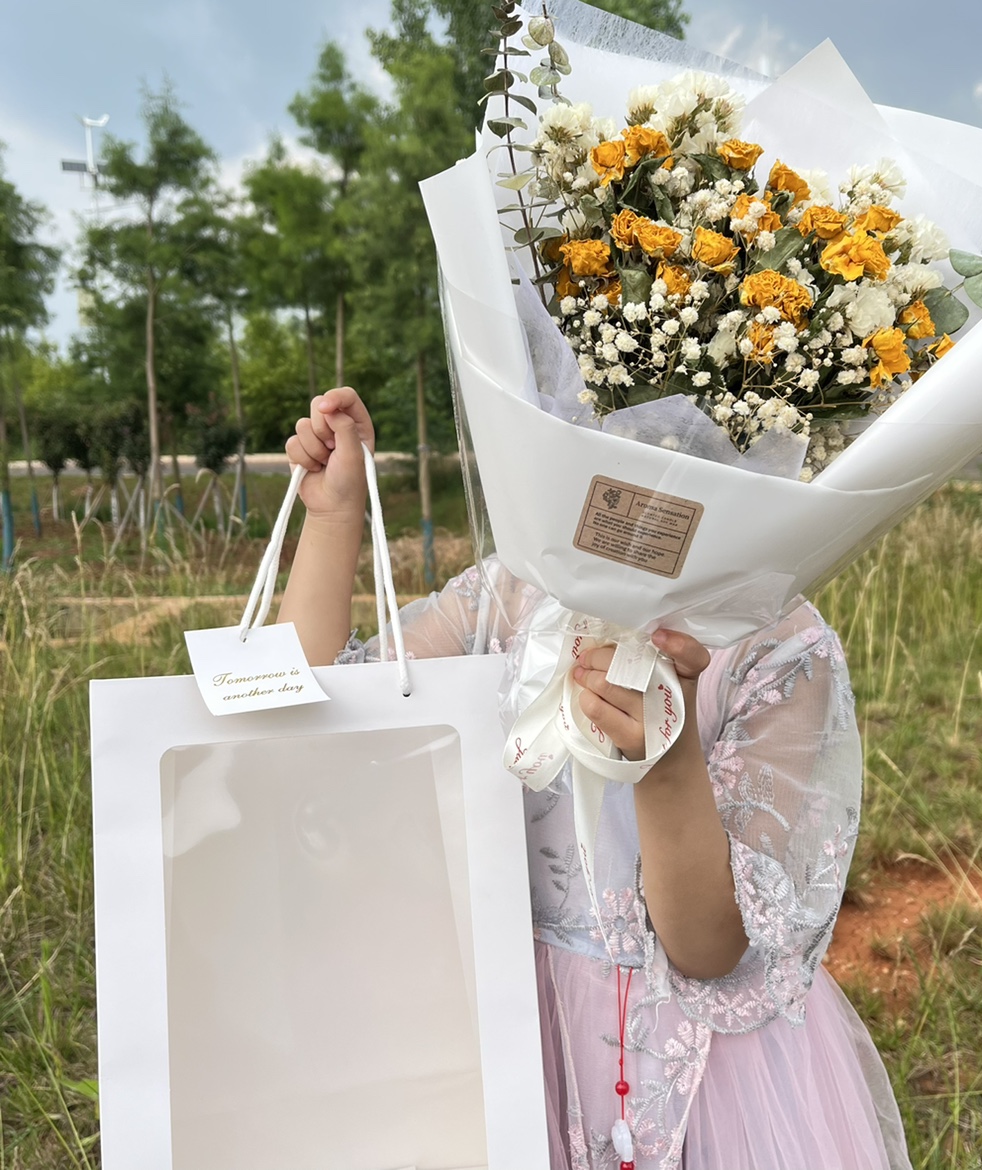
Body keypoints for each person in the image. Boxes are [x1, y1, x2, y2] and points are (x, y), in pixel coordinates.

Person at [278, 386, 912, 1170]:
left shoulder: (772, 644)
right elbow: (314, 723)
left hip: (704, 1075)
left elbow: (709, 950)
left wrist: (663, 755)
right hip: (504, 1025)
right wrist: (336, 517)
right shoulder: (512, 595)